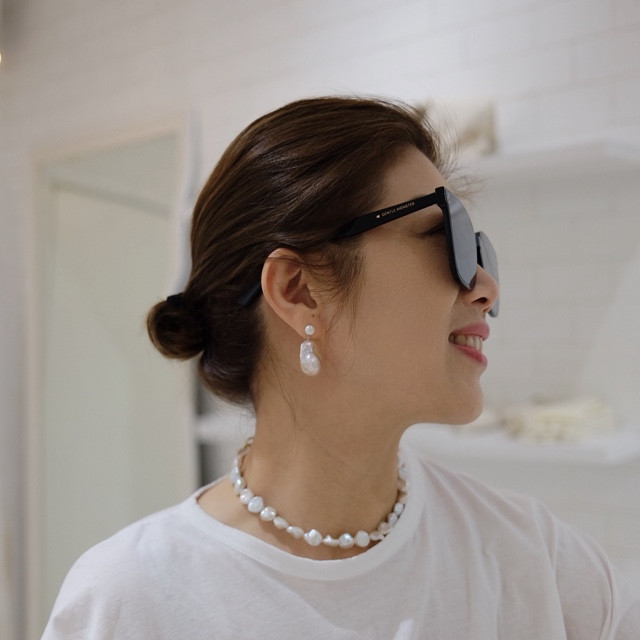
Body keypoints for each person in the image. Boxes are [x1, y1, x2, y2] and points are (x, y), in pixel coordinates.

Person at [42, 96, 639, 639]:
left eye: (480, 251)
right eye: (446, 239)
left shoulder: (535, 562)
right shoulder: (129, 603)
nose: (485, 286)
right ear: (299, 291)